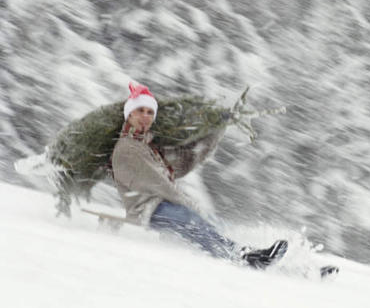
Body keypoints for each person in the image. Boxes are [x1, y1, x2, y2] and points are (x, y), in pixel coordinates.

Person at [111, 82, 287, 268]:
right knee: (190, 219)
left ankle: (251, 254)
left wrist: (216, 129)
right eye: (140, 111)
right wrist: (189, 204)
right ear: (129, 115)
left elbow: (184, 162)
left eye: (149, 112)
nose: (145, 116)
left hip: (161, 204)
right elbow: (159, 184)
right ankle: (241, 258)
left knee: (211, 222)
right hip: (146, 209)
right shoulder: (128, 148)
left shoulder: (147, 146)